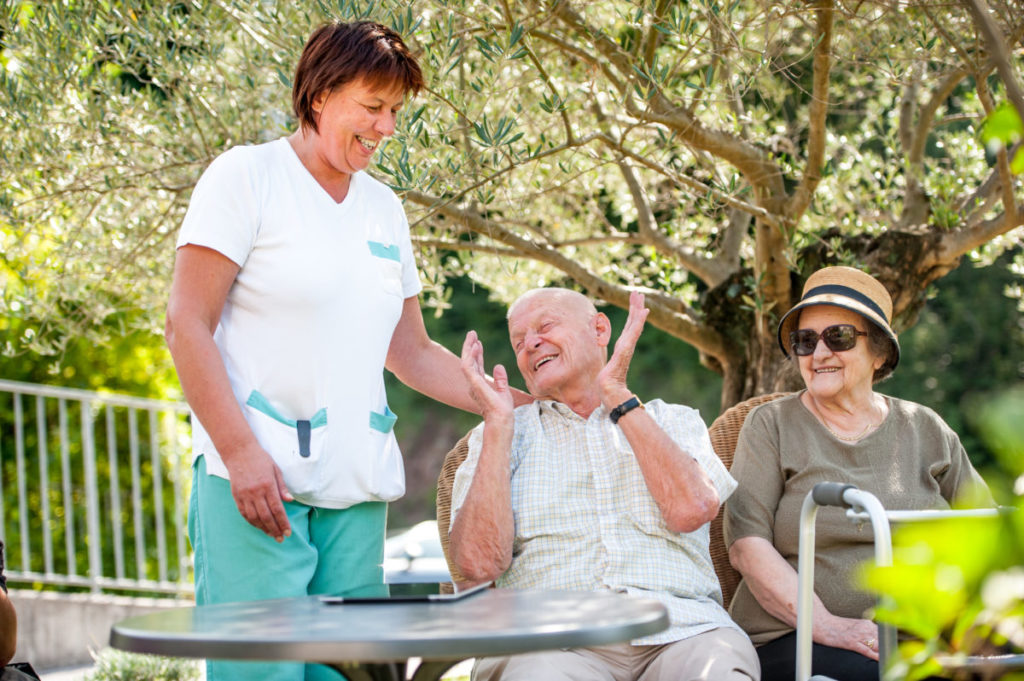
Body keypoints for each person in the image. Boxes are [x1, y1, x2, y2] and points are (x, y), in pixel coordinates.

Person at [165, 20, 525, 681]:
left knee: (348, 676)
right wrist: (241, 453)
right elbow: (187, 322)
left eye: (395, 112)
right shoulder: (246, 177)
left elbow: (410, 351)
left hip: (356, 493)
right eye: (372, 106)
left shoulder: (383, 209)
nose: (386, 126)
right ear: (320, 93)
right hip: (257, 487)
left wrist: (512, 405)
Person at [450, 287, 760, 681]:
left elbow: (692, 509)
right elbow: (476, 568)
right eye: (518, 341)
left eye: (545, 326)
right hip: (551, 643)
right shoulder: (501, 434)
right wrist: (497, 426)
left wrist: (617, 397)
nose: (530, 344)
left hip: (683, 631)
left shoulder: (673, 420)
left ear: (599, 330)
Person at [724, 266, 992, 681]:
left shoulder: (926, 428)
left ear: (880, 352)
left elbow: (985, 529)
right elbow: (746, 546)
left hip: (921, 636)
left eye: (840, 337)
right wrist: (832, 626)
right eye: (805, 340)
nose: (820, 353)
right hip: (798, 637)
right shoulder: (770, 425)